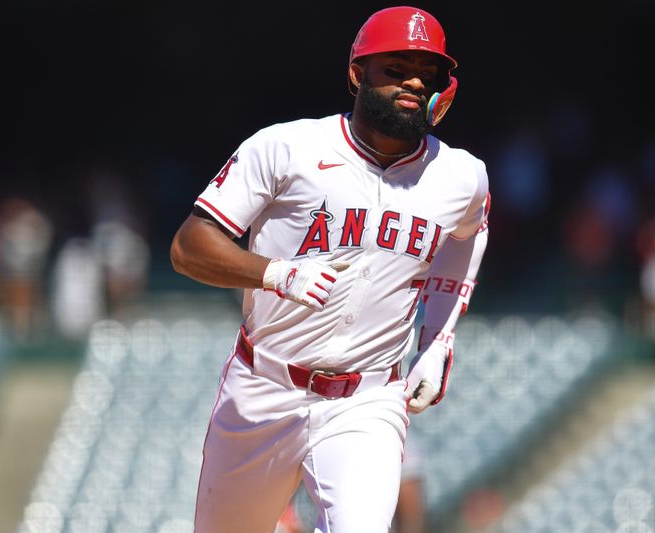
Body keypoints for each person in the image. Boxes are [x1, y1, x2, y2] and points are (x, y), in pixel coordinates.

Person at [170, 6, 489, 532]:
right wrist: (275, 273)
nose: (413, 81)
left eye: (426, 73)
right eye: (395, 68)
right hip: (263, 386)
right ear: (356, 73)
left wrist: (437, 338)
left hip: (367, 400)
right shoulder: (287, 147)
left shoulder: (460, 176)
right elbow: (189, 247)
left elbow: (470, 233)